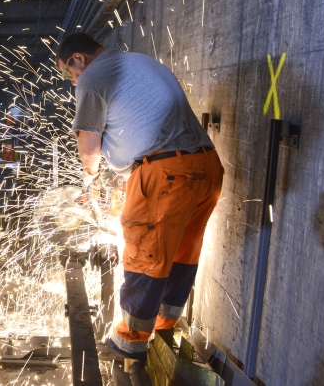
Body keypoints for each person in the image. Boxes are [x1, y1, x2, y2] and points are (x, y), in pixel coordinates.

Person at [55, 33, 224, 363]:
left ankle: (130, 340)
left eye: (68, 73)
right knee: (180, 251)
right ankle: (163, 325)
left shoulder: (91, 77)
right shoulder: (137, 61)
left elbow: (88, 146)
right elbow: (139, 127)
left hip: (167, 174)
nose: (72, 80)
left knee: (144, 248)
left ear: (78, 59)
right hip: (206, 167)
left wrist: (89, 180)